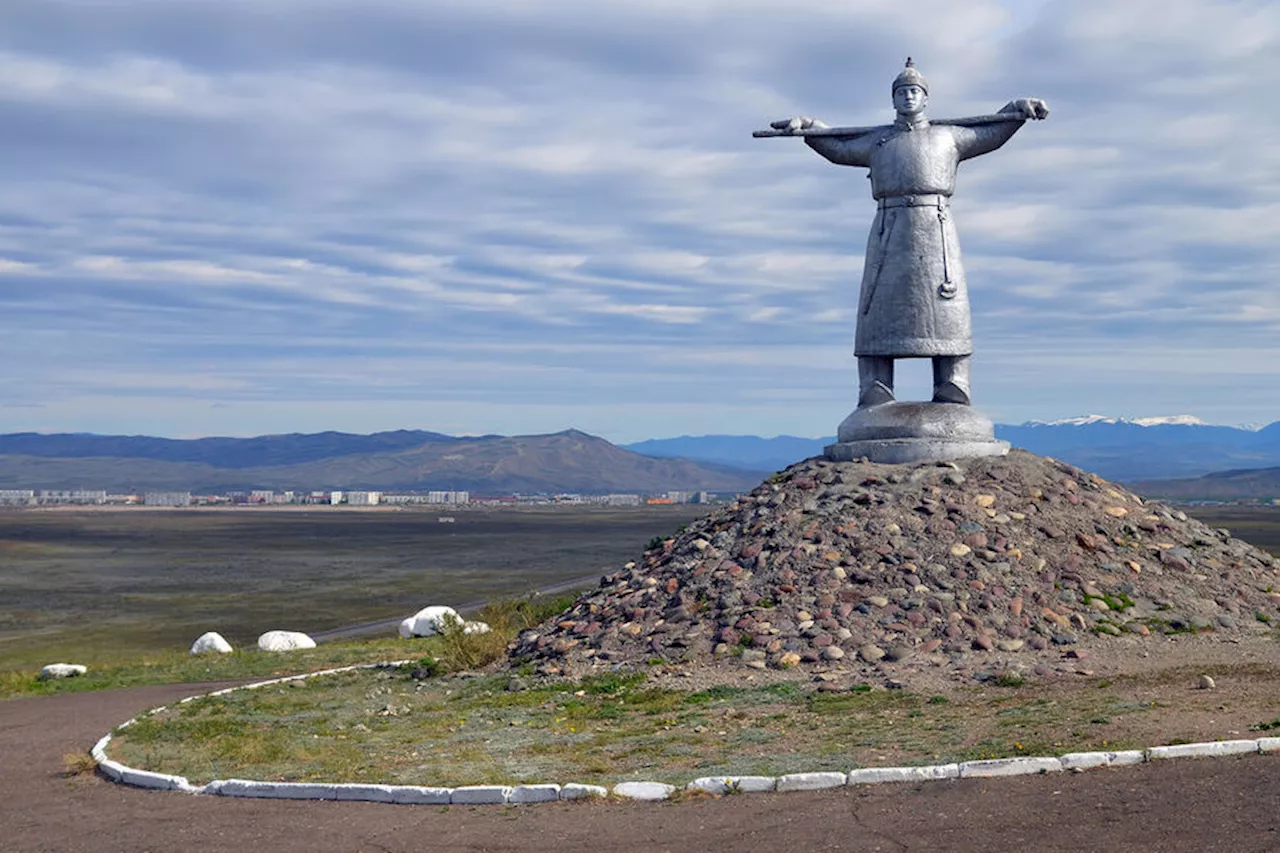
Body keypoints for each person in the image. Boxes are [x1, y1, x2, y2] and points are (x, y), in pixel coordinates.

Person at [772, 59, 1048, 408]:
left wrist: (1015, 111)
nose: (907, 97)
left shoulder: (948, 136)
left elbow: (991, 134)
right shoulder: (878, 141)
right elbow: (838, 147)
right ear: (893, 99)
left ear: (925, 98)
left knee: (946, 307)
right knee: (878, 307)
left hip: (936, 228)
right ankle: (874, 386)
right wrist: (809, 129)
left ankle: (953, 383)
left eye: (914, 91)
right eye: (901, 92)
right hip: (889, 230)